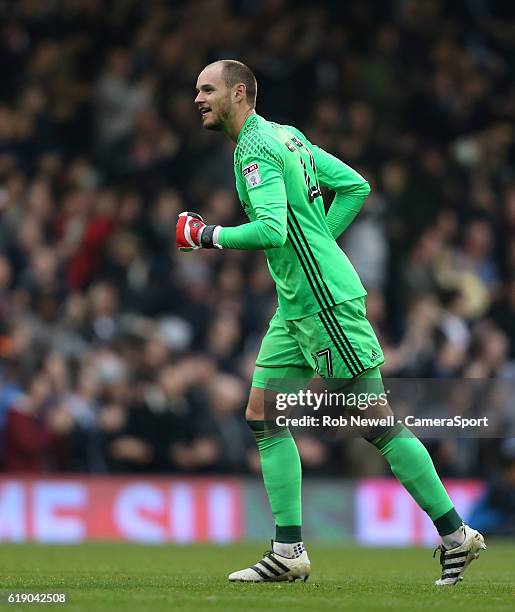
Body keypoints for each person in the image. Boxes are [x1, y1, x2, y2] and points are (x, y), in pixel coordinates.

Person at [175, 60, 486, 585]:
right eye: (196, 91)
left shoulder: (255, 149)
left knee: (376, 423)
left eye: (208, 89)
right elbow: (356, 186)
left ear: (240, 93)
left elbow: (272, 230)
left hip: (324, 304)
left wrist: (207, 236)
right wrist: (320, 243)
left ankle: (457, 535)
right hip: (296, 305)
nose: (198, 99)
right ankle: (288, 551)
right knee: (264, 415)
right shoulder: (287, 136)